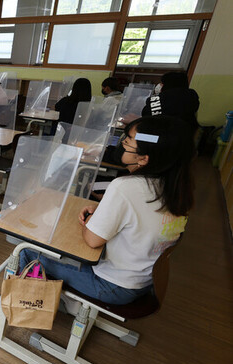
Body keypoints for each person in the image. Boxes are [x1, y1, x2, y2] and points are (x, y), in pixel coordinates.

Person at [17, 115, 194, 305]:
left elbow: (92, 241)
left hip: (113, 285)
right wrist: (103, 210)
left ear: (144, 158)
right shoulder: (178, 188)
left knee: (27, 252)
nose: (123, 142)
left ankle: (21, 304)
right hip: (145, 282)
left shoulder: (125, 187)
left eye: (129, 140)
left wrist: (91, 221)